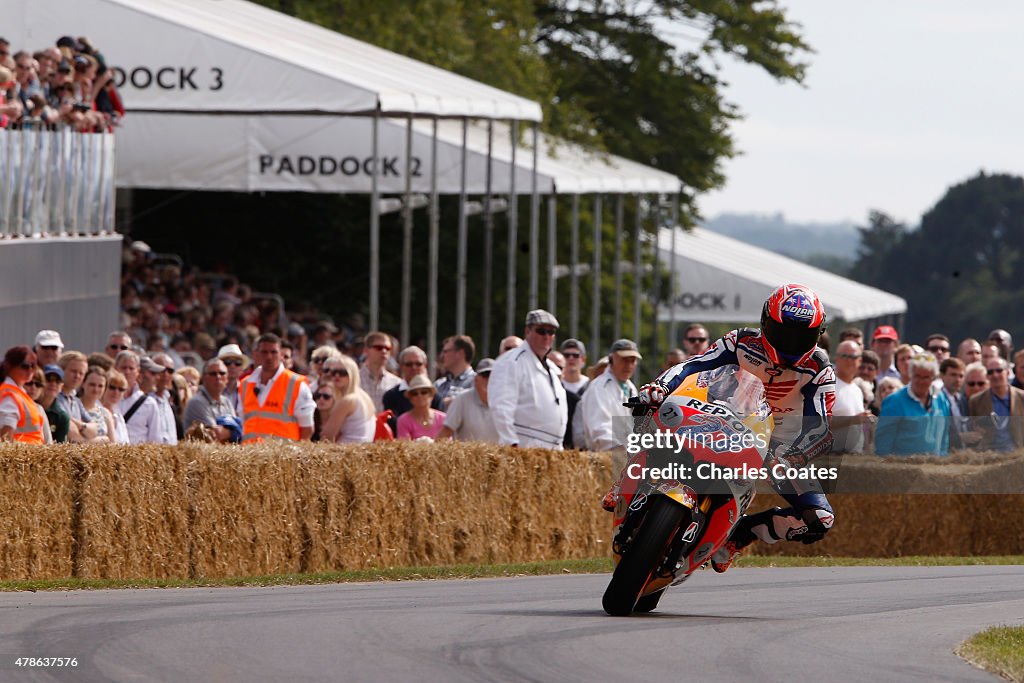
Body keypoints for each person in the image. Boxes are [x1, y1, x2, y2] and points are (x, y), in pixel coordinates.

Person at [634, 283, 836, 571]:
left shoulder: (819, 369)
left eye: (801, 337)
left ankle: (740, 535)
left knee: (820, 517)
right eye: (784, 333)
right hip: (722, 418)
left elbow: (821, 427)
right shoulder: (741, 341)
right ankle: (624, 487)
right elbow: (695, 364)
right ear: (766, 323)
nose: (790, 344)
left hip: (777, 448)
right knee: (655, 413)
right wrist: (661, 386)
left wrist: (795, 455)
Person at [488, 310, 568, 449]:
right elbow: (501, 406)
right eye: (541, 331)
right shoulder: (511, 361)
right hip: (525, 446)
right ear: (527, 331)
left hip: (552, 450)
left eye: (551, 332)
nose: (546, 336)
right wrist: (511, 443)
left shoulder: (552, 368)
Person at [241, 333, 315, 442]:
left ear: (280, 354)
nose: (269, 357)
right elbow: (243, 421)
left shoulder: (296, 384)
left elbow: (307, 429)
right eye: (264, 352)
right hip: (250, 455)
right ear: (256, 354)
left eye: (273, 352)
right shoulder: (245, 384)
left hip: (282, 456)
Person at [875, 353, 951, 456]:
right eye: (917, 376)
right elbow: (883, 443)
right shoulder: (894, 401)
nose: (921, 381)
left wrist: (943, 460)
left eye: (926, 377)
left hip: (934, 467)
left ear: (933, 378)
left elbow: (944, 436)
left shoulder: (941, 399)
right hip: (904, 467)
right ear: (910, 375)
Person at [580, 339, 641, 452]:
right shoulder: (599, 387)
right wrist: (618, 449)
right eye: (624, 360)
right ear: (612, 359)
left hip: (627, 458)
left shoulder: (630, 388)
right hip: (607, 458)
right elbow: (599, 427)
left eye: (632, 360)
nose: (628, 365)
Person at [968, 356, 1024, 451]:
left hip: (1018, 455)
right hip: (988, 456)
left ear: (1008, 372)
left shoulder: (1022, 398)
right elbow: (972, 430)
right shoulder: (976, 401)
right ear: (987, 376)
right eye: (990, 372)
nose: (995, 375)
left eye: (999, 370)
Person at [438, 358, 499, 443]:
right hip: (468, 455)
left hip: (498, 455)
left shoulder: (506, 401)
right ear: (476, 379)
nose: (489, 379)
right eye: (485, 375)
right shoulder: (461, 400)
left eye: (493, 375)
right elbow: (445, 432)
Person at [382, 346, 443, 428]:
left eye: (418, 364)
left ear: (425, 366)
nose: (414, 368)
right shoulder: (390, 396)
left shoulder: (435, 396)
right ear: (401, 366)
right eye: (409, 364)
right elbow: (390, 420)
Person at [319, 354, 374, 443]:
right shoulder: (364, 396)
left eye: (342, 373)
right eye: (333, 372)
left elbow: (326, 437)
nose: (337, 376)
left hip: (346, 452)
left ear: (352, 374)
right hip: (361, 451)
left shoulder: (347, 401)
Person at [831, 340, 872, 453]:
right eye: (844, 355)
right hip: (830, 457)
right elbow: (818, 425)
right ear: (836, 358)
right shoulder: (827, 385)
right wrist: (853, 420)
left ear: (860, 361)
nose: (849, 360)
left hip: (854, 458)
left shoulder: (857, 390)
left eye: (853, 356)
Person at [182, 358, 236, 442]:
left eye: (222, 373)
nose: (218, 377)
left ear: (227, 378)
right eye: (213, 374)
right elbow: (215, 435)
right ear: (204, 378)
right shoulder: (196, 402)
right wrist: (233, 431)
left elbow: (239, 430)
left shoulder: (227, 402)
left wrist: (234, 431)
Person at [0, 346, 46, 443]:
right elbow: (5, 435)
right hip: (19, 456)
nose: (30, 370)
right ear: (10, 366)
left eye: (33, 366)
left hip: (29, 455)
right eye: (25, 366)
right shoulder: (9, 394)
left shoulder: (19, 393)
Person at [115, 350, 161, 444]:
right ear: (115, 369)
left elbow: (155, 439)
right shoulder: (106, 398)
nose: (127, 372)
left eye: (131, 368)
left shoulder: (149, 403)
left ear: (138, 371)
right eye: (123, 368)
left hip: (138, 455)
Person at [57, 351, 99, 443]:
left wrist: (80, 426)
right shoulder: (54, 398)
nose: (77, 376)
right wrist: (88, 438)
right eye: (73, 371)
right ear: (61, 370)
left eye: (81, 373)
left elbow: (95, 429)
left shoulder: (76, 401)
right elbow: (69, 431)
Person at [359, 331, 400, 413]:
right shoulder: (353, 379)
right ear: (366, 350)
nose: (384, 351)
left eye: (388, 349)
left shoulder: (396, 383)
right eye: (379, 348)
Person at [396, 375, 447, 441]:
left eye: (424, 392)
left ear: (431, 395)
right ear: (410, 398)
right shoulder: (403, 420)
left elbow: (447, 444)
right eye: (415, 393)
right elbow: (404, 446)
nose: (419, 396)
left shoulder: (443, 418)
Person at [435, 335, 476, 407]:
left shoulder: (477, 383)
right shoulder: (438, 385)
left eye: (445, 351)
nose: (441, 356)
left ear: (460, 353)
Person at [79, 366, 115, 443]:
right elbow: (75, 441)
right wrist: (105, 439)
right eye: (92, 384)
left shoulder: (105, 413)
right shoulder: (73, 407)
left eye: (100, 386)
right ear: (83, 383)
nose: (96, 389)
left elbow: (113, 444)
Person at [38, 364, 70, 443]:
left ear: (61, 387)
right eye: (48, 379)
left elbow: (59, 448)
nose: (53, 384)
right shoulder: (29, 406)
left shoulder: (62, 417)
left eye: (57, 381)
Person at [217, 343, 249, 416]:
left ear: (242, 369)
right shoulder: (211, 391)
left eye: (237, 363)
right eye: (227, 362)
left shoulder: (248, 390)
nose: (232, 366)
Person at [24, 367, 53, 443]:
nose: (33, 387)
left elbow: (48, 441)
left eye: (38, 384)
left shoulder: (39, 409)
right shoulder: (10, 404)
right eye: (29, 383)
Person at [102, 369, 130, 444]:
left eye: (121, 389)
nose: (116, 392)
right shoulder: (96, 409)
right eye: (112, 387)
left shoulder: (118, 414)